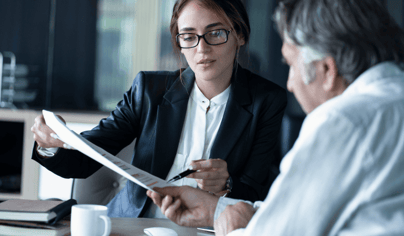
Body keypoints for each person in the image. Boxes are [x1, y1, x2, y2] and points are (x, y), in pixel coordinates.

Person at [147, 0, 404, 235]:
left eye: (291, 64)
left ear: (327, 71)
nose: (290, 83)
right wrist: (217, 209)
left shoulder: (343, 122)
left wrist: (232, 228)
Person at [31, 0, 287, 218]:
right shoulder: (149, 90)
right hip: (133, 227)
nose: (201, 48)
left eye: (216, 33)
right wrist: (51, 143)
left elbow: (258, 193)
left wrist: (227, 185)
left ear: (240, 35)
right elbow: (86, 158)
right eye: (188, 36)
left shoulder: (267, 101)